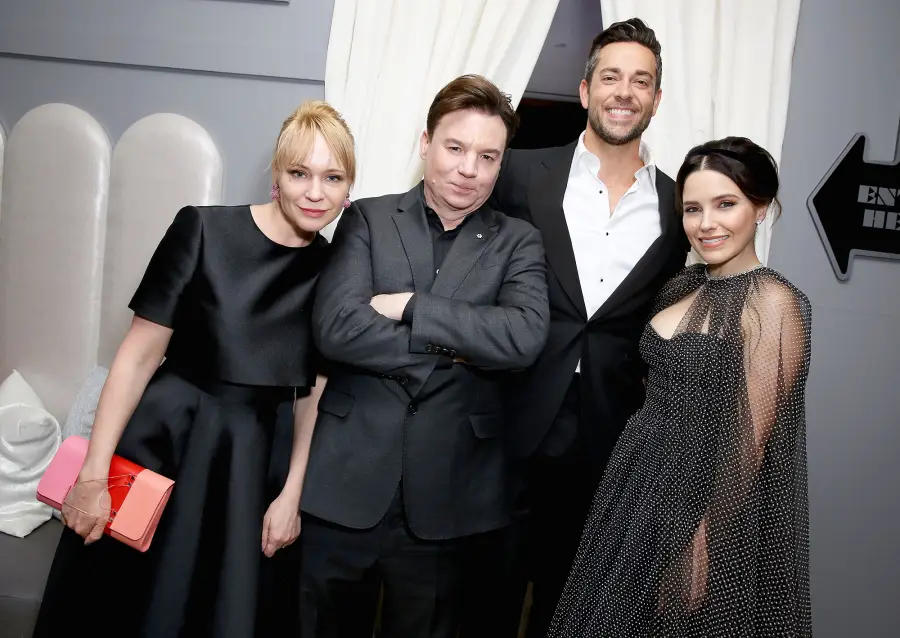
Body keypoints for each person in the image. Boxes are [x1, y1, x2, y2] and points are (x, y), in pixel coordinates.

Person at [32, 100, 356, 638]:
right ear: (277, 175)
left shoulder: (337, 271)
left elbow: (313, 394)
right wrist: (93, 474)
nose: (315, 192)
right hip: (169, 444)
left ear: (349, 187)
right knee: (126, 606)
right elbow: (136, 358)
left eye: (333, 177)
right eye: (300, 173)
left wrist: (292, 495)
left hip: (254, 465)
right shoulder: (203, 230)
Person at [297, 74, 550, 638]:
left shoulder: (519, 242)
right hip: (345, 480)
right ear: (426, 143)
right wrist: (455, 350)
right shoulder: (368, 217)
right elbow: (336, 327)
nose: (469, 169)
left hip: (450, 494)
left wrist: (412, 306)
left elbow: (524, 337)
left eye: (488, 157)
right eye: (456, 148)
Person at [467, 18, 689, 638]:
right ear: (586, 90)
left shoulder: (679, 209)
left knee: (572, 618)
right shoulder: (517, 175)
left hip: (609, 448)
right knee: (482, 605)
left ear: (656, 100)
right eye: (611, 77)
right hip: (503, 431)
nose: (625, 92)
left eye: (640, 81)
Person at [549, 136, 812, 636]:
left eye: (725, 204)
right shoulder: (683, 285)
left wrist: (701, 548)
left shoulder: (773, 302)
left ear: (761, 207)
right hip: (634, 488)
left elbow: (751, 446)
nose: (706, 223)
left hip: (699, 506)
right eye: (693, 209)